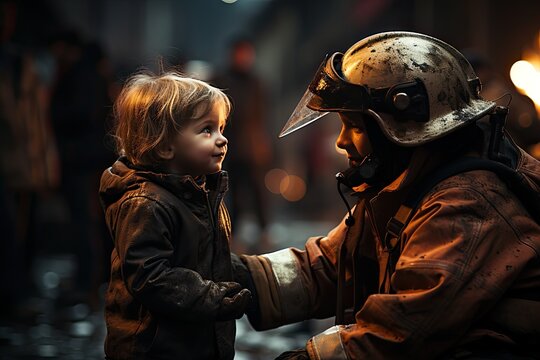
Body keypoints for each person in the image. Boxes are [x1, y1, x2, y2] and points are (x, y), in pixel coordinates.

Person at [233, 31, 540, 359]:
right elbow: (334, 267)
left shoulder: (469, 204)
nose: (341, 141)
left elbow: (398, 334)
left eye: (355, 126)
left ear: (403, 128)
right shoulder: (408, 184)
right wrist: (240, 278)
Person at [99, 70, 251, 359]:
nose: (222, 140)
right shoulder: (146, 202)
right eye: (207, 130)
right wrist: (213, 297)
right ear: (165, 144)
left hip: (192, 342)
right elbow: (150, 276)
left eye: (221, 128)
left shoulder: (197, 192)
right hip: (155, 347)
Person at [211, 37, 273, 252]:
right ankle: (234, 235)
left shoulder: (256, 82)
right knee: (234, 191)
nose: (244, 58)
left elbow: (262, 115)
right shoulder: (221, 79)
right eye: (240, 53)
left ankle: (264, 232)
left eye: (247, 53)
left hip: (252, 146)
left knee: (258, 191)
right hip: (232, 144)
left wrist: (263, 141)